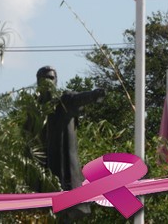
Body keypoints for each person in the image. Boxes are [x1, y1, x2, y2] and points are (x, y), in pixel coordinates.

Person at [36, 66, 105, 219]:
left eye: (51, 78)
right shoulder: (34, 109)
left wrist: (94, 95)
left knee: (63, 212)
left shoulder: (64, 101)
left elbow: (78, 98)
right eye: (44, 78)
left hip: (63, 171)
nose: (47, 81)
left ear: (56, 81)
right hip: (41, 172)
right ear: (38, 82)